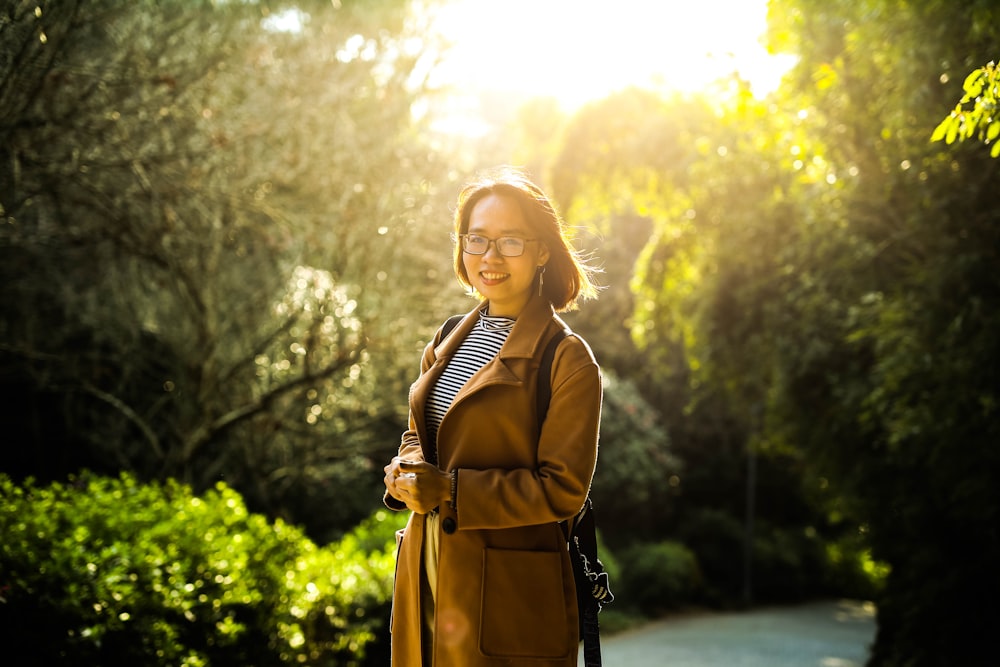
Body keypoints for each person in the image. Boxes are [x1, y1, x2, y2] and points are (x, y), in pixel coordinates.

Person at [382, 166, 602, 666]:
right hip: (426, 569)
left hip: (509, 595)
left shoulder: (567, 359)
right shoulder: (445, 338)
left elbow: (564, 488)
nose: (491, 257)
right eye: (477, 239)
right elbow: (420, 434)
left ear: (543, 250)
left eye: (511, 242)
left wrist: (453, 491)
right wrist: (407, 471)